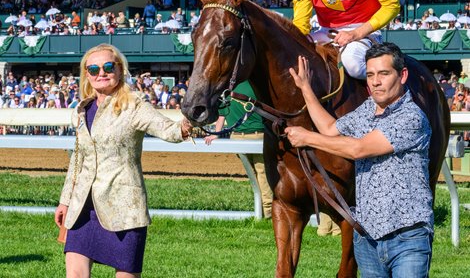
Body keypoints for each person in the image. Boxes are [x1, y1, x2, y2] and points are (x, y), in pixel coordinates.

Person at [285, 42, 434, 277]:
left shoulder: (411, 118)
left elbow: (358, 149)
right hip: (368, 239)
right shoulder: (367, 109)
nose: (375, 82)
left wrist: (307, 138)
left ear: (402, 75)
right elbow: (330, 128)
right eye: (371, 74)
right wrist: (305, 88)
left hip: (408, 239)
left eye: (384, 74)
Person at [54, 43, 193, 277]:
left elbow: (169, 130)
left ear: (120, 70)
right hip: (83, 207)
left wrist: (192, 125)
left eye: (108, 66)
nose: (101, 73)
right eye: (93, 69)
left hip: (124, 208)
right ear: (86, 74)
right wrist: (65, 200)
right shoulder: (81, 109)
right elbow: (78, 159)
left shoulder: (134, 105)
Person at [204, 81, 273, 219]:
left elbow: (222, 116)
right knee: (263, 174)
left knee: (252, 175)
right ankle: (268, 212)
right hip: (258, 136)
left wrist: (215, 134)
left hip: (237, 139)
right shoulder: (257, 85)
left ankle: (260, 210)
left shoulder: (227, 90)